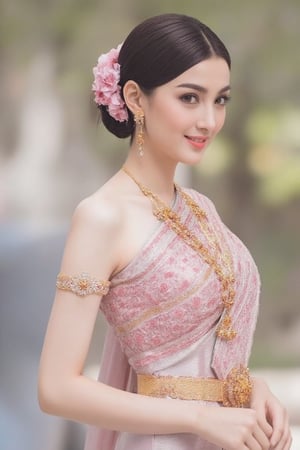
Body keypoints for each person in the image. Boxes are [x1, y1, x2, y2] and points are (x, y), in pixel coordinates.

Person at [38, 13, 292, 450]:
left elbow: (213, 350)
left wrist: (251, 391)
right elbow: (56, 389)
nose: (210, 121)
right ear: (136, 97)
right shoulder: (102, 216)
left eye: (221, 100)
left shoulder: (200, 208)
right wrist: (198, 417)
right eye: (190, 98)